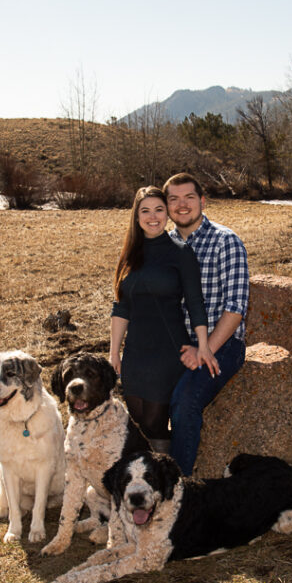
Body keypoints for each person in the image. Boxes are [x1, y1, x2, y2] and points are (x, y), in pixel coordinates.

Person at [110, 186, 219, 454]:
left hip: (168, 353)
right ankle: (141, 482)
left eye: (159, 209)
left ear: (167, 214)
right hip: (135, 354)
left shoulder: (181, 253)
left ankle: (165, 481)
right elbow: (122, 307)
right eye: (145, 211)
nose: (153, 217)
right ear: (136, 217)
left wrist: (203, 345)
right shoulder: (129, 254)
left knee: (155, 422)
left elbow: (196, 304)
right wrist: (114, 352)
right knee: (137, 422)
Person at [163, 173, 249, 475]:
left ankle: (178, 487)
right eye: (173, 199)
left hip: (222, 344)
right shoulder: (165, 244)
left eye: (188, 197)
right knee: (145, 394)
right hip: (179, 344)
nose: (181, 205)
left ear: (202, 200)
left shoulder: (226, 242)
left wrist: (204, 350)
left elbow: (235, 308)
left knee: (185, 401)